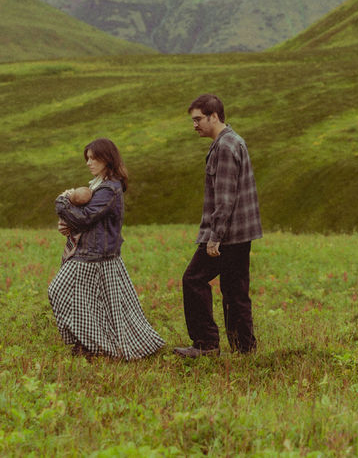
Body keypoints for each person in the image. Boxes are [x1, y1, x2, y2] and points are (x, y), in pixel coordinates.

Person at [47, 138, 164, 360]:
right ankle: (90, 344)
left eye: (93, 158)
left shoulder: (109, 189)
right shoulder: (99, 185)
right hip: (92, 253)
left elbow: (85, 217)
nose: (88, 163)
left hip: (95, 256)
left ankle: (94, 346)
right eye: (87, 158)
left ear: (107, 159)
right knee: (93, 303)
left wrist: (61, 202)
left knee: (60, 291)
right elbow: (86, 220)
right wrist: (69, 224)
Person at [175, 94, 262, 358]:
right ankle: (244, 350)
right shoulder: (233, 141)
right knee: (235, 291)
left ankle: (205, 344)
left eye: (198, 119)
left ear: (214, 116)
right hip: (240, 233)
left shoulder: (225, 146)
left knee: (193, 280)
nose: (195, 125)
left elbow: (224, 198)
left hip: (227, 235)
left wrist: (215, 237)